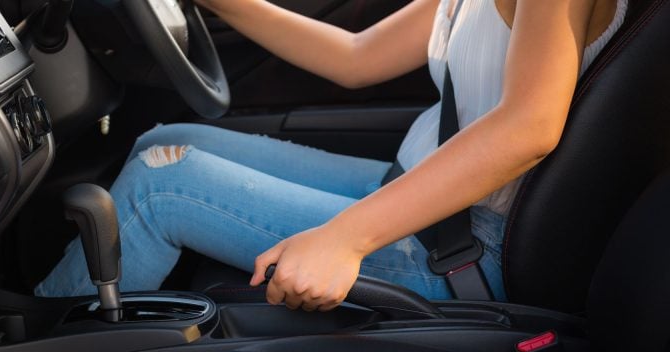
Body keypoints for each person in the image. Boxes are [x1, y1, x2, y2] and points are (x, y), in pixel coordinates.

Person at [36, 0, 627, 311]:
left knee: (158, 186)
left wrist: (346, 239)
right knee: (168, 143)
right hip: (419, 194)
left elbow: (530, 125)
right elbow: (356, 56)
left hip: (467, 245)